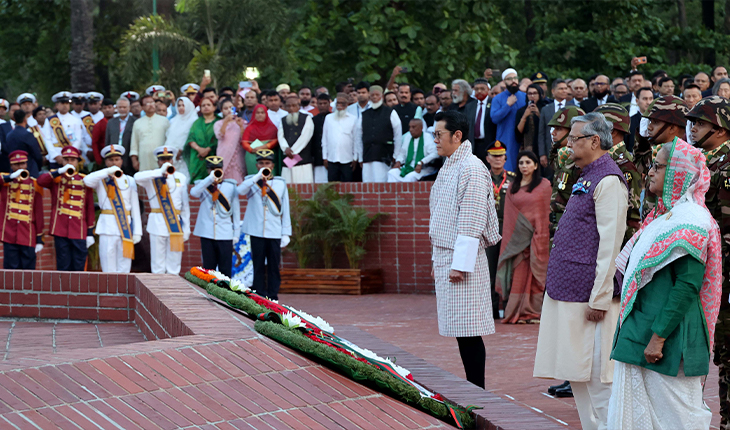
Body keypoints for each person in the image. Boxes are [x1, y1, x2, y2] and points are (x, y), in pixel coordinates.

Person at [608, 139, 719, 429]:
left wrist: (658, 337)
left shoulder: (691, 219)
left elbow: (687, 285)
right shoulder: (664, 216)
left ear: (676, 173)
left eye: (658, 167)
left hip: (668, 338)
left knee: (677, 419)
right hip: (643, 330)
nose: (650, 173)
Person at [534, 112, 628, 430]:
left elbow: (610, 245)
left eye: (574, 138)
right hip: (570, 292)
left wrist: (600, 298)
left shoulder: (609, 179)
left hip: (590, 298)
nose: (568, 143)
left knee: (599, 384)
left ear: (594, 141)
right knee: (577, 375)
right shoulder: (586, 174)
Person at [429, 110, 500, 389]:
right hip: (448, 254)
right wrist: (439, 259)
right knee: (461, 330)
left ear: (457, 136)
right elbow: (439, 214)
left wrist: (460, 264)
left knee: (469, 331)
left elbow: (471, 219)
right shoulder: (449, 164)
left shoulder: (471, 167)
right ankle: (474, 387)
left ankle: (478, 391)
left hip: (464, 261)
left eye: (439, 135)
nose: (435, 140)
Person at [495, 150, 551, 324]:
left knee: (535, 278)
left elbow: (544, 213)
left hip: (538, 238)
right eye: (521, 163)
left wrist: (537, 233)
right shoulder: (513, 186)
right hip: (518, 240)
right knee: (518, 276)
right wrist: (520, 235)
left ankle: (534, 312)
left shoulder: (544, 186)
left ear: (535, 165)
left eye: (528, 162)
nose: (524, 166)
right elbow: (511, 217)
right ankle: (517, 312)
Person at [238, 149, 291, 300]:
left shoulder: (280, 183)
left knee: (274, 265)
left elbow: (285, 208)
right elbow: (240, 191)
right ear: (257, 165)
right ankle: (259, 294)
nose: (264, 165)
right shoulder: (251, 181)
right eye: (261, 163)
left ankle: (273, 295)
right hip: (256, 230)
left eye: (267, 163)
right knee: (258, 264)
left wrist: (286, 232)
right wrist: (257, 177)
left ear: (273, 165)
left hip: (274, 229)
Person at [83, 145, 142, 273]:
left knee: (124, 265)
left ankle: (123, 292)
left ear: (121, 161)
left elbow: (135, 208)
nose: (114, 162)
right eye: (110, 160)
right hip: (107, 227)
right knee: (108, 264)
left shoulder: (129, 180)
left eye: (116, 159)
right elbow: (87, 181)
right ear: (106, 162)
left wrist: (137, 231)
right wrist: (107, 171)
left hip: (125, 227)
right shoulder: (101, 179)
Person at [134, 146, 191, 275]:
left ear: (172, 160)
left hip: (175, 224)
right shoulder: (152, 177)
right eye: (162, 159)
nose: (165, 161)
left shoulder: (180, 177)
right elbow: (137, 177)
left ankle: (172, 290)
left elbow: (184, 206)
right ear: (158, 161)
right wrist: (160, 172)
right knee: (157, 264)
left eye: (168, 158)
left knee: (174, 264)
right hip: (157, 223)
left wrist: (187, 228)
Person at [37, 147, 95, 271]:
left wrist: (90, 232)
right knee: (63, 265)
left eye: (72, 160)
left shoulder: (84, 180)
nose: (69, 162)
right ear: (62, 161)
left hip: (78, 229)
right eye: (66, 159)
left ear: (77, 161)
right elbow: (40, 181)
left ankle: (78, 290)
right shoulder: (56, 178)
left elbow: (89, 207)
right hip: (60, 228)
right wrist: (58, 171)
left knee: (79, 265)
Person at [593, 104, 642, 245]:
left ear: (611, 131)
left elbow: (631, 216)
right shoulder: (603, 159)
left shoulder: (624, 166)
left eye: (594, 127)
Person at [634, 96, 688, 220]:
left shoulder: (684, 158)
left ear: (672, 127)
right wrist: (641, 139)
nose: (649, 127)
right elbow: (639, 166)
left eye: (655, 122)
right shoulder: (656, 151)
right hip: (652, 221)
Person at [190, 155, 240, 277]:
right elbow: (194, 193)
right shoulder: (202, 185)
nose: (215, 171)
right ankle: (208, 294)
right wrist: (210, 179)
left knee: (225, 269)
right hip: (207, 232)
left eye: (217, 168)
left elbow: (236, 211)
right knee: (208, 269)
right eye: (211, 168)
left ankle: (225, 295)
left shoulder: (230, 186)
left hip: (225, 232)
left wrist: (236, 234)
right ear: (207, 170)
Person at [484, 141, 515, 319]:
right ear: (488, 158)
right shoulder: (482, 178)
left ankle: (510, 308)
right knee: (489, 269)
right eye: (493, 156)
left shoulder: (513, 179)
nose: (497, 159)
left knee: (509, 267)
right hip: (489, 228)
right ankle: (492, 310)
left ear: (505, 158)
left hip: (508, 227)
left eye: (500, 156)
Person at [0, 150, 44, 269]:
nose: (20, 167)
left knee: (28, 273)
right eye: (16, 164)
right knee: (10, 273)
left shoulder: (34, 184)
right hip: (9, 234)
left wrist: (39, 238)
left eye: (22, 164)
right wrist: (10, 177)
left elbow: (39, 213)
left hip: (28, 235)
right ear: (11, 165)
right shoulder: (5, 182)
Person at [547, 106, 586, 233]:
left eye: (558, 129)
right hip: (557, 224)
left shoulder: (580, 161)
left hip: (572, 227)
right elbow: (552, 161)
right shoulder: (563, 156)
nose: (553, 133)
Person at [355, 85, 402, 182]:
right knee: (368, 184)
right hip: (367, 155)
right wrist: (360, 157)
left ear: (382, 96)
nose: (375, 97)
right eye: (373, 95)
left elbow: (397, 135)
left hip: (384, 155)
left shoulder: (390, 112)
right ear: (369, 97)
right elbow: (358, 137)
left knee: (381, 183)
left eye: (377, 95)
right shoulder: (364, 114)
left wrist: (395, 155)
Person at [491, 68, 526, 172]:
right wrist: (507, 105)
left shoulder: (525, 97)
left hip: (523, 139)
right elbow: (495, 118)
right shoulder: (498, 98)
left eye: (515, 78)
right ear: (504, 82)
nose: (513, 81)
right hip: (506, 139)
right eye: (509, 79)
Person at [538, 80, 576, 174]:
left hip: (568, 151)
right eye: (561, 88)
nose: (564, 91)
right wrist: (542, 154)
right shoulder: (546, 109)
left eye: (565, 88)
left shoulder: (573, 108)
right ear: (553, 91)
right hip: (549, 151)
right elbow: (541, 133)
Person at [388, 115, 437, 182]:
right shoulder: (408, 137)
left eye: (413, 127)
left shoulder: (427, 137)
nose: (410, 130)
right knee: (392, 173)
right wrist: (398, 161)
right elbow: (402, 153)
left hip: (423, 168)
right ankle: (394, 192)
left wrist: (421, 162)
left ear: (421, 128)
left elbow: (435, 153)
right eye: (410, 127)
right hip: (408, 167)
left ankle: (404, 192)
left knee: (410, 177)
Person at [278, 95, 314, 184]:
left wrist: (293, 151)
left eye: (294, 106)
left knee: (304, 187)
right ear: (285, 107)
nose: (291, 108)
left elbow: (305, 137)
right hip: (287, 159)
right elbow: (280, 136)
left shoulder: (307, 118)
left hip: (303, 161)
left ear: (298, 106)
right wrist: (286, 149)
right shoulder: (283, 120)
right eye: (289, 106)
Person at [322, 93, 358, 182]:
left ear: (347, 104)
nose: (340, 106)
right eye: (338, 103)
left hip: (348, 159)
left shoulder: (353, 119)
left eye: (343, 103)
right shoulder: (328, 118)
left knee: (347, 186)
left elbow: (356, 140)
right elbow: (324, 139)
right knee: (332, 186)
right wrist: (324, 157)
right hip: (331, 158)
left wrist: (355, 158)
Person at [130, 95, 170, 173]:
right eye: (147, 103)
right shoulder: (137, 123)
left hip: (161, 159)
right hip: (144, 159)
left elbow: (169, 141)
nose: (151, 105)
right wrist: (134, 160)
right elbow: (134, 143)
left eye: (152, 102)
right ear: (142, 107)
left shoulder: (164, 121)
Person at [183, 98, 219, 182]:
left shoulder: (219, 122)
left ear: (214, 107)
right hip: (197, 157)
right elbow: (190, 139)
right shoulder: (196, 123)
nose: (206, 107)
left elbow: (220, 139)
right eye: (203, 105)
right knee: (197, 182)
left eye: (208, 105)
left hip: (214, 156)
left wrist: (208, 149)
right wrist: (199, 149)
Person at [47, 92, 86, 168]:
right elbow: (47, 139)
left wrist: (71, 154)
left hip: (71, 157)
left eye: (67, 103)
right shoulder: (50, 120)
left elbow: (78, 139)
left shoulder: (76, 120)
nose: (65, 105)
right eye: (62, 103)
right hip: (56, 154)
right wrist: (55, 156)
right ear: (57, 105)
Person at [163, 97, 197, 180]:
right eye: (179, 105)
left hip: (184, 156)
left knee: (183, 180)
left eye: (183, 105)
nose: (181, 108)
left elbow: (191, 137)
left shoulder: (194, 121)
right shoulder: (173, 120)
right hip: (171, 155)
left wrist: (181, 150)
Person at [241, 104, 279, 176]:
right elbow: (244, 142)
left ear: (266, 114)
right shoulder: (250, 128)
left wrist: (265, 146)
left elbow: (275, 140)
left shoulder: (272, 128)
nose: (260, 115)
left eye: (262, 113)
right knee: (254, 178)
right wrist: (251, 149)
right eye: (258, 113)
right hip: (252, 156)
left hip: (268, 155)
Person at [3, 109, 43, 177]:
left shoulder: (9, 135)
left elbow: (7, 151)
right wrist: (39, 166)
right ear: (25, 119)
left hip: (14, 168)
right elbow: (37, 154)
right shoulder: (28, 135)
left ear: (14, 119)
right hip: (29, 169)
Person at [214, 98, 246, 182]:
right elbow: (220, 135)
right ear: (221, 110)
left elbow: (245, 140)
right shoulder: (218, 123)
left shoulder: (242, 122)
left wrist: (241, 126)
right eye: (225, 108)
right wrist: (226, 122)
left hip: (237, 156)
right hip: (223, 155)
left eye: (231, 108)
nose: (228, 110)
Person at [105, 97, 137, 176]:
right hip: (114, 156)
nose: (122, 109)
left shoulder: (135, 121)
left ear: (129, 108)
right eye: (120, 107)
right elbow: (107, 140)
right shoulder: (111, 122)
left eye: (124, 107)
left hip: (128, 157)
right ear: (116, 108)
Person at [516, 84, 548, 159]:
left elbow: (549, 127)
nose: (532, 96)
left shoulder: (545, 108)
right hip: (527, 147)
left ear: (539, 95)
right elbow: (518, 132)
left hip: (542, 147)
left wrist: (539, 114)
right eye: (529, 93)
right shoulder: (521, 111)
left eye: (535, 93)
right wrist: (525, 116)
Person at [470, 78, 496, 161]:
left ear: (488, 90)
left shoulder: (494, 103)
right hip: (474, 145)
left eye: (482, 89)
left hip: (489, 143)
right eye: (477, 89)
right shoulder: (470, 106)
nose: (479, 91)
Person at [311, 94, 331, 183]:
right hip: (317, 157)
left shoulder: (333, 118)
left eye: (325, 103)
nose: (322, 106)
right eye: (320, 104)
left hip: (332, 157)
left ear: (329, 104)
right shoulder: (313, 120)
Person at [91, 98, 115, 165]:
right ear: (101, 110)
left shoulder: (118, 122)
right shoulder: (98, 125)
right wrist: (98, 160)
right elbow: (94, 143)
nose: (107, 110)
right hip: (104, 156)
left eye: (109, 107)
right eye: (105, 108)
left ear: (114, 108)